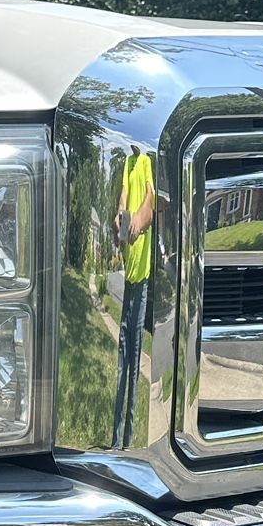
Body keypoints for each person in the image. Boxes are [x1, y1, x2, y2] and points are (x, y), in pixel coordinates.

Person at [111, 144, 155, 449]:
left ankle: (131, 435)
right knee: (123, 349)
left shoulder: (147, 159)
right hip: (128, 270)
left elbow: (150, 198)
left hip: (144, 271)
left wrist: (140, 219)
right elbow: (124, 196)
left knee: (137, 346)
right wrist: (122, 215)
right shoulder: (128, 161)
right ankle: (116, 438)